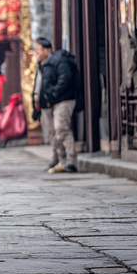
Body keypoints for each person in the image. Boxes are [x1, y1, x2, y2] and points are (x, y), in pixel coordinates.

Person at [34, 38, 80, 174]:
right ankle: (61, 161)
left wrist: (53, 94)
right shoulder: (42, 64)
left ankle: (71, 162)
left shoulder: (59, 60)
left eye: (38, 50)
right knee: (54, 133)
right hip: (50, 103)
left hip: (63, 100)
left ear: (47, 50)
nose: (36, 53)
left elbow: (64, 78)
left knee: (61, 129)